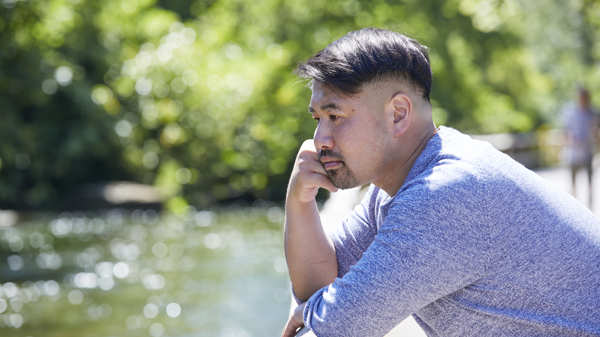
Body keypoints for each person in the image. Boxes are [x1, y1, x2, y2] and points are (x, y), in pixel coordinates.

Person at [281, 28, 600, 337]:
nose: (318, 139)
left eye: (334, 117)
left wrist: (310, 313)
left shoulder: (446, 192)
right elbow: (324, 283)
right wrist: (300, 202)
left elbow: (340, 327)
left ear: (398, 114)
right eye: (317, 119)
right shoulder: (398, 186)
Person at [562, 87, 598, 208]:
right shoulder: (571, 113)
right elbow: (565, 131)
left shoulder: (593, 113)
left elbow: (596, 132)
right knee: (573, 183)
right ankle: (574, 207)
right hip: (573, 153)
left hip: (588, 152)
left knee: (589, 182)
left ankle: (590, 207)